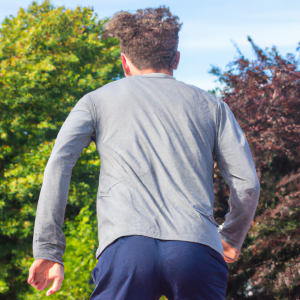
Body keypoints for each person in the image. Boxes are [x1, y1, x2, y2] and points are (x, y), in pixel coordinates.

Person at [27, 6, 260, 300]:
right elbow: (248, 184)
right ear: (176, 58)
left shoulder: (94, 101)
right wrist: (231, 237)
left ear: (125, 62)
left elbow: (58, 165)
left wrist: (49, 248)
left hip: (125, 252)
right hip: (196, 249)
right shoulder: (213, 107)